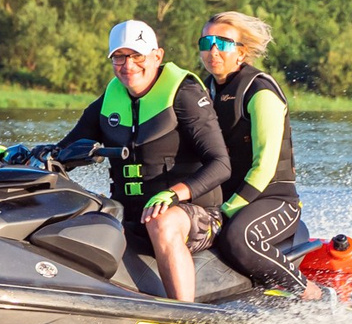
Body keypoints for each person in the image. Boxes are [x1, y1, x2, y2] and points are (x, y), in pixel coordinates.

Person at [54, 20, 229, 302]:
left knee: (162, 221)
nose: (128, 65)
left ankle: (183, 314)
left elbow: (221, 163)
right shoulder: (107, 103)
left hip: (198, 217)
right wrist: (25, 156)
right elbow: (64, 152)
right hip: (132, 216)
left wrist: (174, 194)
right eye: (119, 57)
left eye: (137, 56)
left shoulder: (184, 95)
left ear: (157, 56)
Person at [198, 11, 315, 297]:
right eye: (207, 42)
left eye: (223, 43)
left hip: (274, 199)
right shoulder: (205, 88)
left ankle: (309, 292)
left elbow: (264, 167)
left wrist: (226, 212)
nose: (213, 50)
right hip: (227, 196)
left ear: (242, 51)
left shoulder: (260, 91)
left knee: (238, 237)